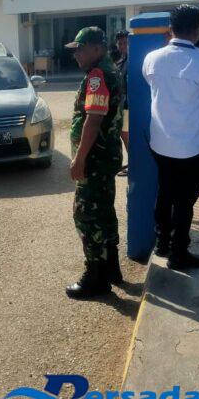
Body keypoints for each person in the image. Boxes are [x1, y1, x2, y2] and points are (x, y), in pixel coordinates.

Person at [142, 5, 199, 270]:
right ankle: (179, 252)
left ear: (172, 28)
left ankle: (162, 243)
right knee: (184, 201)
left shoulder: (152, 59)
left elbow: (152, 87)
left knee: (165, 192)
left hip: (160, 143)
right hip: (192, 146)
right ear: (198, 30)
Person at [66, 27, 124, 298]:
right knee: (104, 212)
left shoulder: (98, 75)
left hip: (94, 159)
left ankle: (96, 277)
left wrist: (79, 159)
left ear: (97, 48)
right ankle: (111, 268)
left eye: (81, 49)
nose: (76, 54)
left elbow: (94, 119)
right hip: (105, 157)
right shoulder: (110, 70)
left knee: (86, 216)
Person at [115, 29, 129, 177]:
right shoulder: (121, 60)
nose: (122, 46)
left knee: (125, 135)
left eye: (125, 43)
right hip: (121, 104)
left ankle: (134, 165)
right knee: (123, 134)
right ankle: (132, 162)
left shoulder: (132, 60)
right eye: (120, 43)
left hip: (128, 105)